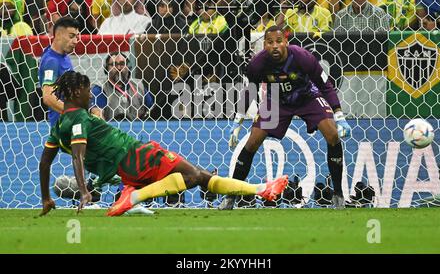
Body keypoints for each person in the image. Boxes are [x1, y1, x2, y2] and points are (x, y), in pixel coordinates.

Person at [38, 70, 289, 216]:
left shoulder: (58, 128)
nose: (90, 94)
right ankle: (135, 196)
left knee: (200, 176)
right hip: (134, 155)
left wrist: (47, 197)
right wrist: (83, 190)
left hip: (126, 167)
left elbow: (45, 162)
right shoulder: (79, 118)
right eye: (86, 90)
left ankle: (261, 189)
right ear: (75, 93)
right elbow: (78, 157)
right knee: (193, 176)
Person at [218, 25, 351, 210]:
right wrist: (238, 120)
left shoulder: (301, 56)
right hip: (276, 101)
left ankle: (338, 195)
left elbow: (325, 84)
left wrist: (339, 114)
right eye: (270, 42)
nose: (275, 46)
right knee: (252, 142)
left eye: (279, 41)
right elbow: (250, 90)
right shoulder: (258, 63)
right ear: (264, 44)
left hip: (307, 97)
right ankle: (231, 197)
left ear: (286, 42)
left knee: (333, 135)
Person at [38, 16, 79, 127]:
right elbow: (48, 97)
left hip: (70, 123)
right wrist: (76, 113)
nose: (75, 41)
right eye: (71, 36)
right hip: (61, 128)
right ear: (58, 35)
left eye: (77, 37)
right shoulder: (51, 62)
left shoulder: (63, 56)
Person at [91, 52, 154, 121]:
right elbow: (97, 116)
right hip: (113, 130)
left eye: (122, 64)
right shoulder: (100, 89)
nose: (118, 68)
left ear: (128, 67)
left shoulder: (139, 86)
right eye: (114, 64)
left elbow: (152, 110)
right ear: (106, 69)